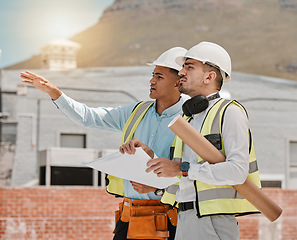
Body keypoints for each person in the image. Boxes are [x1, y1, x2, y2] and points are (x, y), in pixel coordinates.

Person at [20, 46, 187, 240]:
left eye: (159, 77)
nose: (151, 81)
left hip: (171, 220)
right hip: (129, 218)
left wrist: (159, 188)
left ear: (178, 82)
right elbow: (89, 117)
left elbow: (193, 171)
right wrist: (55, 92)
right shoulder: (136, 112)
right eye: (153, 75)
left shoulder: (191, 119)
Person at [127, 42, 261, 240]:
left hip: (213, 221)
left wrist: (182, 169)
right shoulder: (189, 118)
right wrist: (155, 171)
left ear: (210, 76)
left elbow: (237, 172)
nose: (181, 72)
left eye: (189, 67)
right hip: (185, 218)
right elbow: (188, 180)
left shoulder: (230, 112)